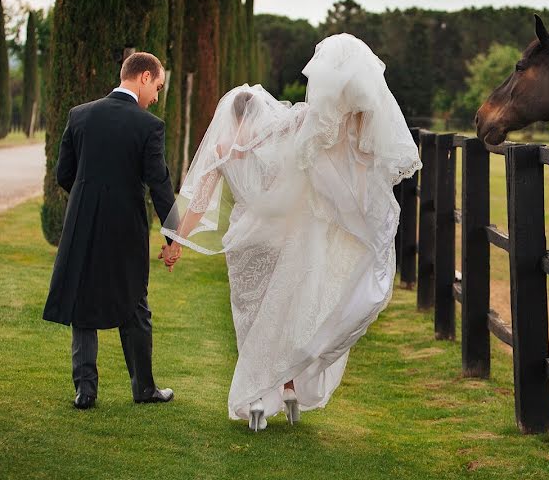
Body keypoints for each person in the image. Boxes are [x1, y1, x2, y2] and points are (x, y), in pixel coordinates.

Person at [160, 34, 421, 431]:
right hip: (282, 243)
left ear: (228, 118)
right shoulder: (280, 135)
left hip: (246, 244)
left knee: (254, 329)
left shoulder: (220, 151)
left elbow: (198, 202)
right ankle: (291, 396)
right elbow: (329, 120)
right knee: (286, 322)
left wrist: (175, 240)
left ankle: (259, 409)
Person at [43, 52, 178, 410]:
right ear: (144, 77)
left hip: (82, 221)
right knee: (134, 301)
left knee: (81, 301)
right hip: (126, 226)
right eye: (159, 87)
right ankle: (144, 389)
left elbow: (63, 174)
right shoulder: (149, 126)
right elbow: (159, 184)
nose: (157, 97)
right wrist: (172, 237)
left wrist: (90, 199)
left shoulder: (80, 115)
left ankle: (85, 391)